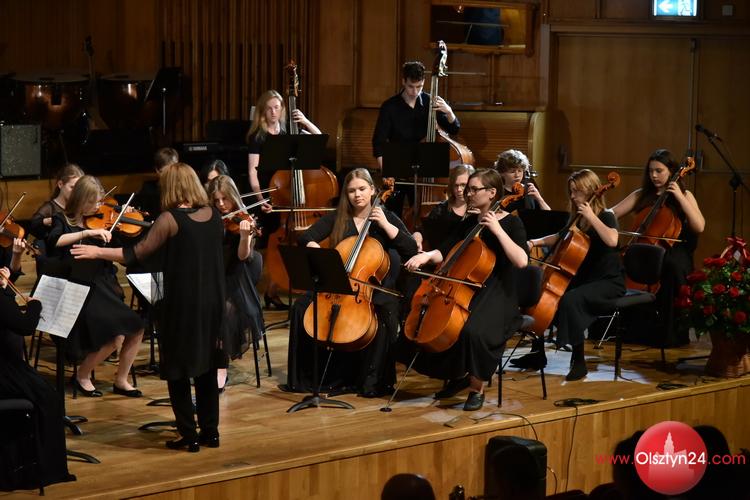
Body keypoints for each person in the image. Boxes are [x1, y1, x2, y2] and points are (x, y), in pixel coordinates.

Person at [72, 163, 226, 452]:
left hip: (181, 305)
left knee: (178, 368)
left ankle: (188, 435)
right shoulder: (214, 216)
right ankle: (211, 432)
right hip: (212, 302)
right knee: (207, 366)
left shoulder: (170, 219)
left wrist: (97, 251)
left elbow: (136, 253)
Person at [283, 168, 418, 397]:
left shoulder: (385, 217)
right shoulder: (339, 217)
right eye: (352, 191)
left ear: (373, 190)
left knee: (385, 314)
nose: (357, 195)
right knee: (300, 308)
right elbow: (306, 237)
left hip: (375, 287)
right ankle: (309, 378)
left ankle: (371, 380)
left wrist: (386, 225)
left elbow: (410, 249)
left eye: (362, 189)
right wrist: (316, 249)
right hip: (341, 284)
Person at [403, 168, 528, 411]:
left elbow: (522, 261)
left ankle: (476, 387)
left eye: (473, 189)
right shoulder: (470, 222)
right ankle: (459, 375)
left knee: (473, 331)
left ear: (492, 192)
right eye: (468, 189)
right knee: (443, 322)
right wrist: (425, 256)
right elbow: (446, 250)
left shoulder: (512, 223)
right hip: (468, 287)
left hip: (499, 291)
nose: (468, 194)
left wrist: (497, 230)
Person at [45, 175, 145, 397]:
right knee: (114, 337)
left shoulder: (102, 221)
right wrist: (87, 233)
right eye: (94, 202)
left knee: (137, 327)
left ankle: (121, 380)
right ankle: (82, 375)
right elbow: (54, 241)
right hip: (75, 289)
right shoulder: (63, 220)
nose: (99, 206)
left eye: (100, 201)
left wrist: (124, 222)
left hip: (102, 285)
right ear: (81, 200)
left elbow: (124, 253)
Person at [526, 169, 625, 380]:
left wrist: (591, 216)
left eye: (576, 191)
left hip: (609, 281)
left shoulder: (606, 216)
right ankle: (537, 353)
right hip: (586, 278)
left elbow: (612, 240)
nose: (572, 196)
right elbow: (561, 237)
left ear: (591, 190)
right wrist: (534, 242)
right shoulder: (577, 218)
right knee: (543, 295)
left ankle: (578, 361)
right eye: (571, 191)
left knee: (571, 300)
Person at [612, 149, 705, 347]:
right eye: (650, 171)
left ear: (671, 171)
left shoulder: (685, 195)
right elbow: (612, 213)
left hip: (674, 250)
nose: (653, 175)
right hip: (644, 249)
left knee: (671, 266)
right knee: (615, 262)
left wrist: (679, 196)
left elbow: (699, 226)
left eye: (659, 171)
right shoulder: (641, 195)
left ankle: (668, 333)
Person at [0, 268, 75, 491]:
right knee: (48, 398)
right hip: (5, 371)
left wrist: (3, 289)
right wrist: (35, 306)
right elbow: (24, 326)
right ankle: (43, 467)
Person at [245, 89, 322, 309]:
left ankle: (272, 290)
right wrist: (260, 199)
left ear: (282, 109)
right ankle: (254, 291)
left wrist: (305, 121)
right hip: (268, 195)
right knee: (271, 245)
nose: (273, 112)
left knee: (290, 244)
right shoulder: (257, 137)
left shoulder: (289, 132)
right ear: (262, 111)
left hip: (288, 194)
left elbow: (318, 137)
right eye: (269, 108)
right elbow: (252, 172)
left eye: (277, 108)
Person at [206, 174, 265, 392]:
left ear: (234, 198)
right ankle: (203, 361)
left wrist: (244, 237)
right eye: (216, 200)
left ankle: (221, 368)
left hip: (235, 280)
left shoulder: (243, 220)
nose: (222, 204)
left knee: (225, 310)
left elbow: (243, 256)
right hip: (212, 278)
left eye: (225, 199)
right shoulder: (209, 219)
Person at [372, 61, 460, 170]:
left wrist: (449, 112)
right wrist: (387, 172)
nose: (415, 92)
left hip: (429, 163)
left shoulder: (431, 102)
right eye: (411, 86)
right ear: (403, 81)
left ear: (423, 82)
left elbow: (454, 130)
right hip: (399, 163)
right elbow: (378, 143)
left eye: (419, 87)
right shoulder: (389, 106)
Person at [411, 164, 474, 252]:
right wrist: (417, 240)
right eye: (456, 185)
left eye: (463, 185)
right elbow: (421, 231)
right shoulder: (442, 209)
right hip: (437, 257)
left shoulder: (477, 211)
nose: (459, 189)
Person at [29, 163, 84, 242]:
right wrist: (52, 220)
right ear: (60, 184)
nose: (76, 191)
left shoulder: (80, 206)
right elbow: (34, 224)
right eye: (72, 187)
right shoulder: (50, 207)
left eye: (79, 188)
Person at [133, 147, 179, 220]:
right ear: (157, 170)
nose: (171, 175)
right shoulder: (148, 188)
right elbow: (139, 210)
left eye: (174, 169)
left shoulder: (183, 186)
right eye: (166, 172)